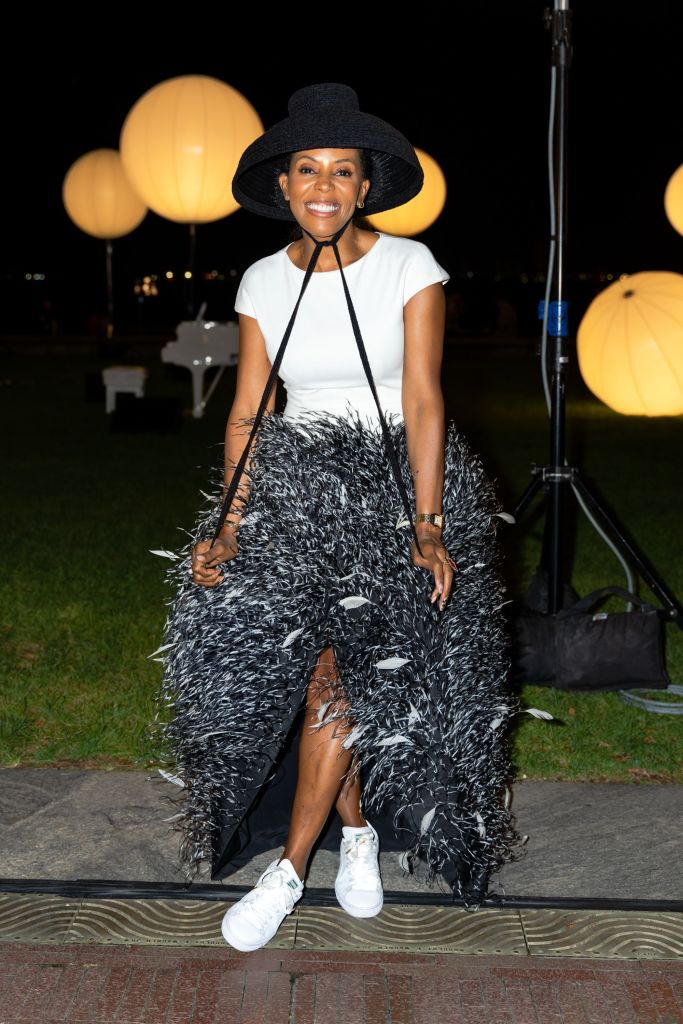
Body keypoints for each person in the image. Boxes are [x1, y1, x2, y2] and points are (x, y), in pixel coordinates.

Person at [152, 82, 551, 954]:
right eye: (307, 169)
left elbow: (423, 398)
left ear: (365, 185)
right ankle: (358, 829)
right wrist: (228, 522)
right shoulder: (262, 280)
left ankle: (289, 870)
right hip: (297, 490)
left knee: (339, 673)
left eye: (342, 170)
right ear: (283, 185)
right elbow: (249, 413)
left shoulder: (409, 266)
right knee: (298, 673)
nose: (324, 186)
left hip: (393, 483)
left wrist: (426, 521)